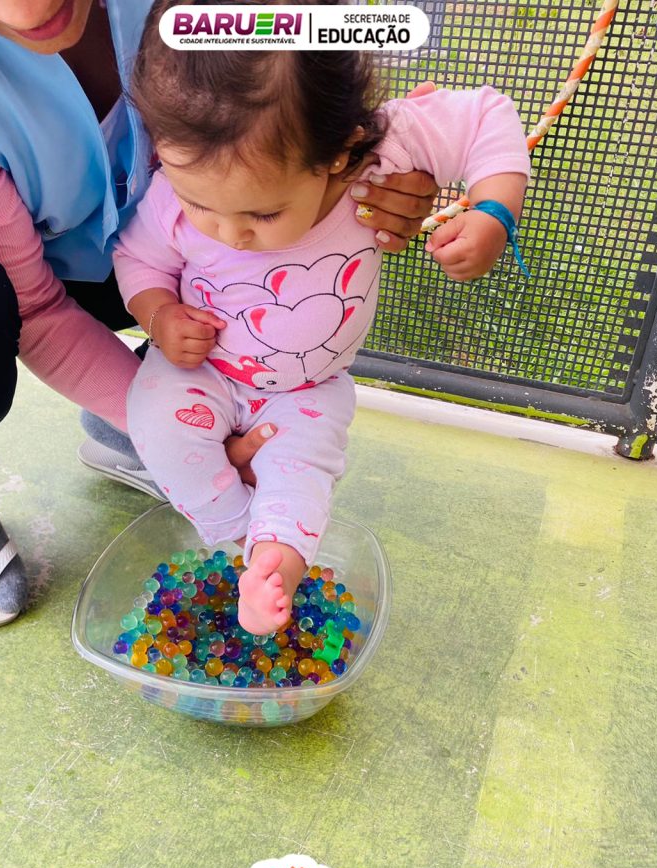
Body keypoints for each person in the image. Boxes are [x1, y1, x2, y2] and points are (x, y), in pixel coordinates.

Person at [0, 0, 439, 629]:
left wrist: (372, 165)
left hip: (189, 269)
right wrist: (156, 415)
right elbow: (38, 309)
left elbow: (314, 77)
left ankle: (150, 418)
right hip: (29, 276)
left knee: (229, 251)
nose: (29, 10)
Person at [114, 0, 531, 635]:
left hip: (310, 390)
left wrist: (494, 211)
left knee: (300, 476)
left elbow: (484, 117)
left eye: (262, 214)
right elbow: (138, 257)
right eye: (198, 202)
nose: (228, 232)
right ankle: (237, 537)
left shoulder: (386, 151)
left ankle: (273, 567)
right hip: (203, 371)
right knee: (159, 426)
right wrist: (159, 313)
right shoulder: (176, 190)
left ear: (339, 154)